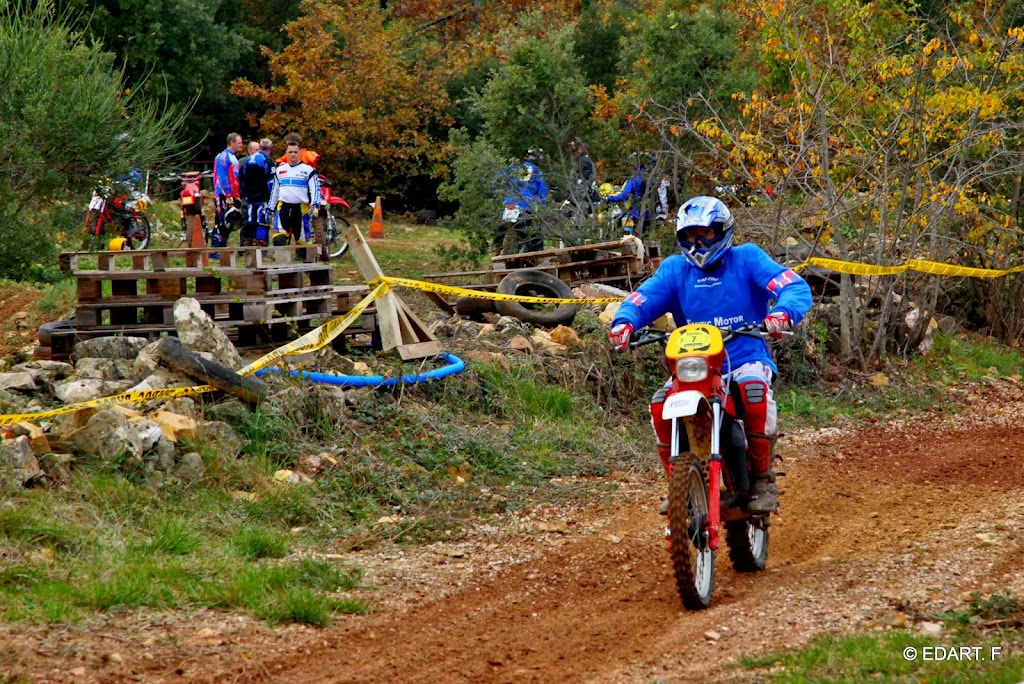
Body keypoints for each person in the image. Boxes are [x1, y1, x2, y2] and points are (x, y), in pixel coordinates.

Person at [608, 196, 812, 513]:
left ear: (723, 230)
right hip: (696, 365)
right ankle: (678, 485)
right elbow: (643, 298)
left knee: (754, 393)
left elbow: (793, 286)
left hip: (745, 357)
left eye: (706, 233)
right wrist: (624, 323)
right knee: (660, 405)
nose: (698, 242)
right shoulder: (675, 270)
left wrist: (782, 313)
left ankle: (762, 480)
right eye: (690, 235)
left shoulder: (747, 259)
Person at [495, 148, 548, 253]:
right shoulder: (537, 171)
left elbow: (499, 181)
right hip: (525, 205)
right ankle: (534, 259)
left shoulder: (512, 167)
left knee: (499, 233)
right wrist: (542, 206)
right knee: (535, 238)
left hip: (508, 204)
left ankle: (496, 250)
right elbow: (543, 193)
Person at [269, 140, 321, 245]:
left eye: (295, 152)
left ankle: (305, 257)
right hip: (283, 207)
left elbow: (315, 189)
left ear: (300, 153)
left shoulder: (309, 170)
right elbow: (275, 191)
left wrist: (315, 205)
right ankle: (282, 260)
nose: (293, 154)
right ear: (286, 153)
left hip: (301, 210)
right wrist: (270, 208)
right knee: (279, 239)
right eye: (290, 152)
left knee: (303, 244)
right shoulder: (280, 170)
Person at [603, 153, 655, 234]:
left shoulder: (634, 179)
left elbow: (624, 195)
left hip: (637, 213)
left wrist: (609, 198)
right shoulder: (651, 177)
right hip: (651, 213)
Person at [239, 138, 274, 246]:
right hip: (262, 196)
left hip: (249, 196)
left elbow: (241, 177)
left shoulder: (248, 159)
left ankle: (248, 241)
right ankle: (260, 243)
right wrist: (271, 198)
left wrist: (243, 193)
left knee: (250, 219)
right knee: (262, 220)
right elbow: (271, 182)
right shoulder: (267, 160)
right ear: (270, 149)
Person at [213, 132, 243, 247]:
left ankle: (222, 246)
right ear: (232, 143)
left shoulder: (233, 157)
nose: (241, 145)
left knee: (229, 222)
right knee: (221, 220)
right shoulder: (223, 157)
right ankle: (216, 249)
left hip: (232, 194)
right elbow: (222, 177)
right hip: (223, 194)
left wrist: (236, 194)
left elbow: (234, 178)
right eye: (239, 143)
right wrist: (228, 194)